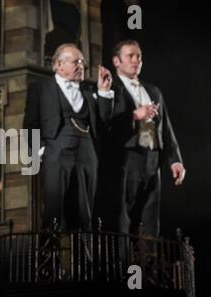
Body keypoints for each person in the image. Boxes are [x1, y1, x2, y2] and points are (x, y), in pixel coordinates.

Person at [23, 43, 113, 232]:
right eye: (76, 61)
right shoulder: (40, 88)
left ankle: (83, 256)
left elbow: (104, 125)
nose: (81, 65)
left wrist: (104, 92)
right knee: (55, 208)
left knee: (85, 208)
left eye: (83, 62)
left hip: (87, 154)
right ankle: (52, 257)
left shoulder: (88, 90)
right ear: (58, 65)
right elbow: (30, 125)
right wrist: (42, 151)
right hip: (56, 153)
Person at [108, 40, 186, 236]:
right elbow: (107, 125)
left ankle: (149, 265)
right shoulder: (110, 89)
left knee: (150, 217)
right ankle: (123, 264)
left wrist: (175, 160)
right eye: (130, 56)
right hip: (128, 158)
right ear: (116, 61)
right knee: (125, 217)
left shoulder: (153, 91)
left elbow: (166, 128)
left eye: (139, 57)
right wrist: (135, 115)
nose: (136, 60)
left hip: (152, 159)